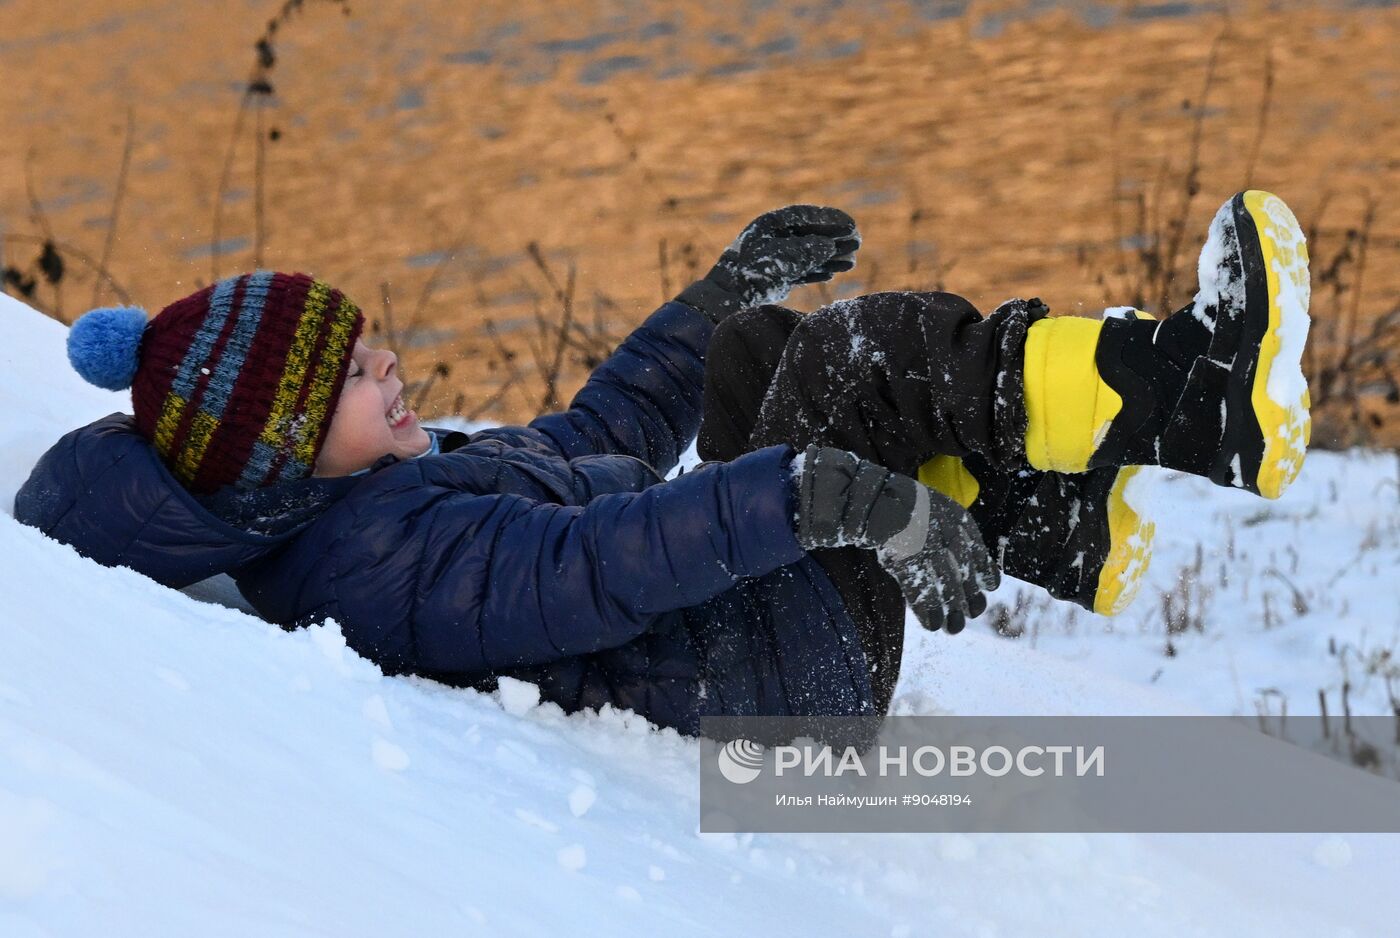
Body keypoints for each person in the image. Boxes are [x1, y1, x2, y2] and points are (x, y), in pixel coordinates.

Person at [13, 192, 1310, 735]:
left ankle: (1054, 527)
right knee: (855, 365)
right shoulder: (377, 563)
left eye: (368, 342)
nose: (391, 365)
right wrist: (832, 493)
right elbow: (598, 560)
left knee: (753, 352)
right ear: (288, 445)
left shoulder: (368, 488)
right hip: (782, 674)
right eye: (354, 376)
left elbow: (592, 449)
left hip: (753, 626)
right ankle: (1204, 398)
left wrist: (716, 289)